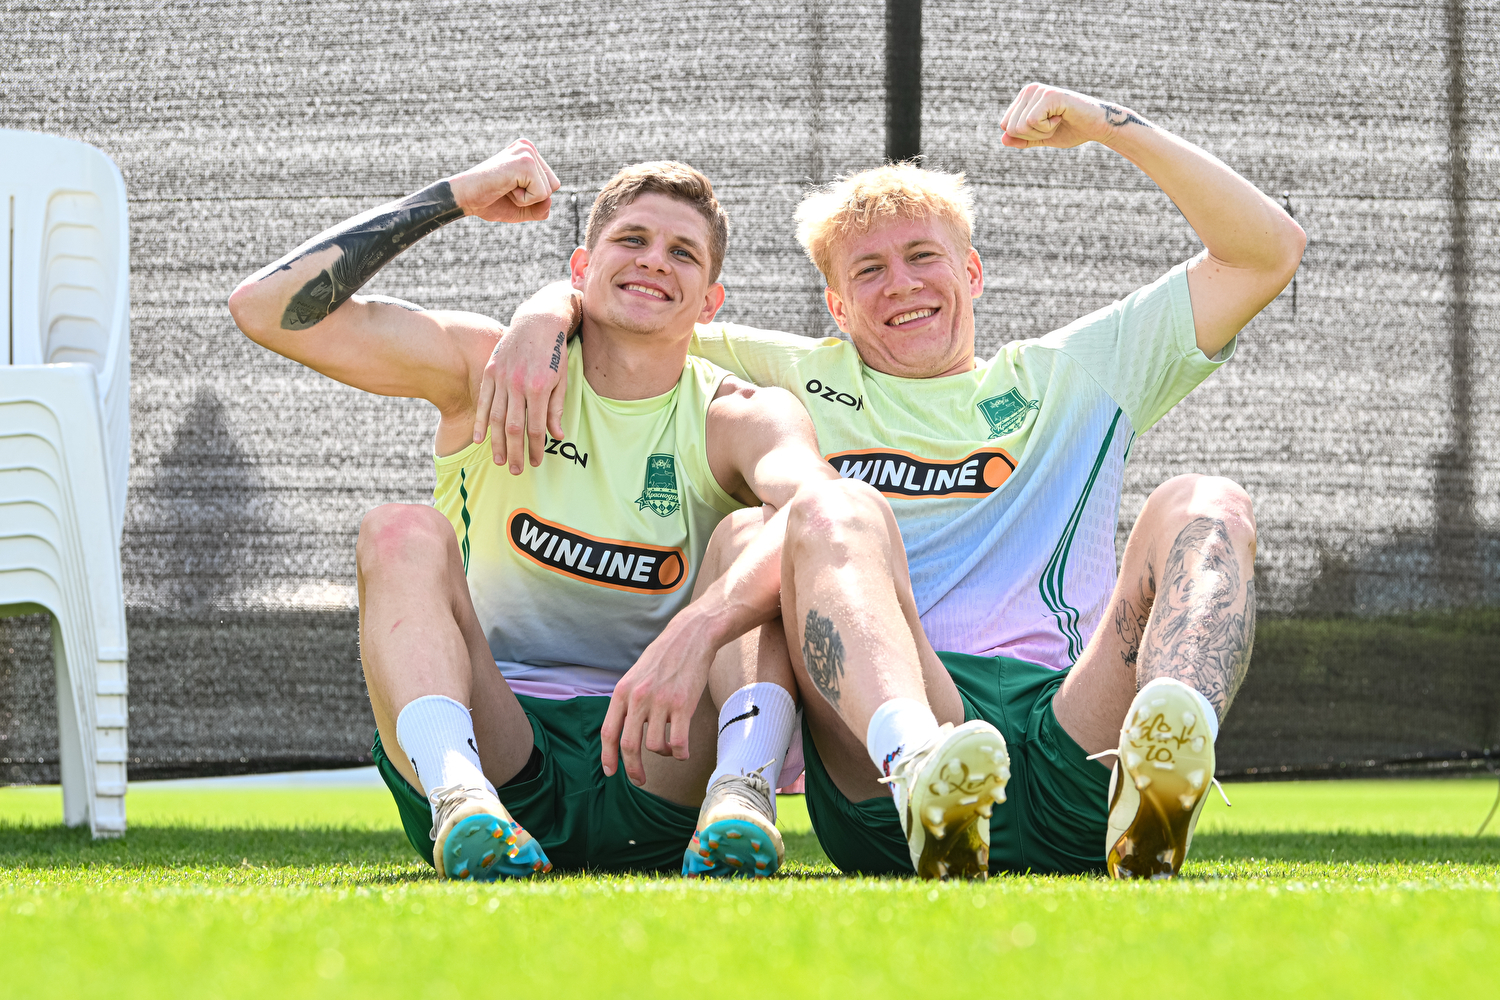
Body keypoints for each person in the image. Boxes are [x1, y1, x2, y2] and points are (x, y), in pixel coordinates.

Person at [491, 84, 1307, 879]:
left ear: (972, 271)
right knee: (827, 507)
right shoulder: (789, 376)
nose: (902, 284)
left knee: (1209, 502)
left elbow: (1267, 252)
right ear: (837, 307)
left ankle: (1167, 756)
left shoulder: (1075, 372)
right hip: (889, 763)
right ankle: (922, 770)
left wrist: (1105, 125)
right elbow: (640, 304)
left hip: (1073, 738)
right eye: (869, 270)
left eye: (923, 256)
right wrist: (546, 310)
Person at [226, 144, 875, 881]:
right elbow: (264, 310)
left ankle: (740, 799)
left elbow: (818, 506)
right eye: (632, 239)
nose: (654, 261)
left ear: (709, 302)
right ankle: (460, 804)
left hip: (661, 756)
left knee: (758, 531)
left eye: (682, 253)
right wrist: (458, 195)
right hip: (498, 748)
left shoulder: (737, 413)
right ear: (580, 268)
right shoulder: (489, 366)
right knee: (397, 530)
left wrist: (697, 628)